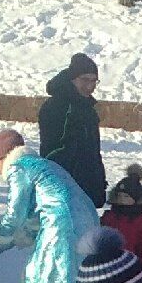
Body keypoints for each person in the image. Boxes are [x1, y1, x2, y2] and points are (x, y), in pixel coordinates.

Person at [0, 129, 101, 283]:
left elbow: (16, 212)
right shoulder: (45, 165)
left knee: (45, 273)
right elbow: (39, 210)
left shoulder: (18, 167)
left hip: (62, 223)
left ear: (4, 156)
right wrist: (20, 237)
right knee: (79, 271)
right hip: (87, 220)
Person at [38, 53, 106, 209]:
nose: (90, 86)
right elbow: (52, 150)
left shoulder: (87, 108)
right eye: (85, 80)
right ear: (72, 79)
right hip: (65, 187)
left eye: (94, 81)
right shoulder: (57, 106)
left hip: (86, 186)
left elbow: (93, 151)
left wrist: (98, 182)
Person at [101, 163, 142, 264]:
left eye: (126, 197)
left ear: (136, 199)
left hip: (132, 265)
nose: (122, 199)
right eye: (120, 196)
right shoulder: (109, 216)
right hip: (108, 264)